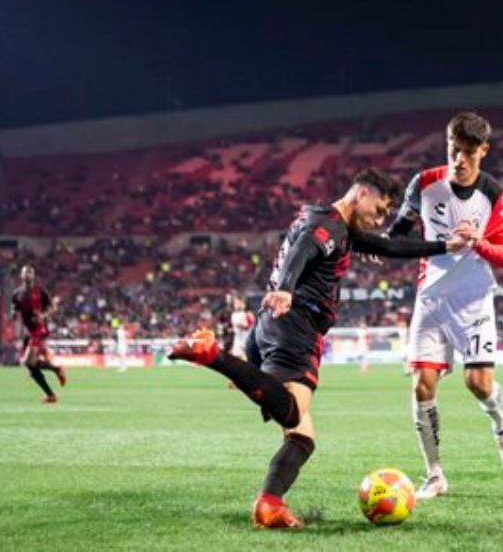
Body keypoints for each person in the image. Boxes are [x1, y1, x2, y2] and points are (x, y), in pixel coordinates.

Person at [168, 168, 474, 529]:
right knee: (294, 413)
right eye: (380, 208)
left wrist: (444, 245)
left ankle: (269, 504)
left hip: (269, 327)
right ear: (361, 193)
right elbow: (305, 247)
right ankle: (213, 354)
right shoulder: (330, 227)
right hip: (296, 323)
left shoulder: (327, 222)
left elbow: (387, 245)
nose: (382, 217)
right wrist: (285, 288)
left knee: (301, 436)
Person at [386, 111, 503, 500]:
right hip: (430, 297)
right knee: (421, 386)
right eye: (452, 150)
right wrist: (381, 245)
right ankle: (434, 475)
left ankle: (502, 425)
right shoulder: (425, 183)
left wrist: (477, 241)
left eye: (466, 153)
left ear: (483, 151)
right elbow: (401, 230)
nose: (458, 161)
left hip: (474, 299)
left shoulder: (495, 194)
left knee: (477, 384)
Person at [11, 265, 67, 403]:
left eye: (30, 272)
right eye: (25, 272)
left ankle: (56, 371)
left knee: (28, 361)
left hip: (39, 328)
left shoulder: (40, 291)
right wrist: (13, 314)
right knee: (31, 365)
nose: (28, 274)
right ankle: (51, 393)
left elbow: (52, 307)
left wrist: (42, 315)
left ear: (33, 275)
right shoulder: (17, 294)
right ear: (21, 275)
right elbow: (15, 309)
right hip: (28, 331)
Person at [228, 293, 255, 360]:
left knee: (249, 358)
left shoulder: (247, 314)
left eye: (239, 303)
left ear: (244, 304)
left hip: (247, 339)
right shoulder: (233, 315)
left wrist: (240, 325)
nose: (237, 304)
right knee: (236, 358)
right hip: (238, 339)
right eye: (236, 303)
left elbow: (248, 327)